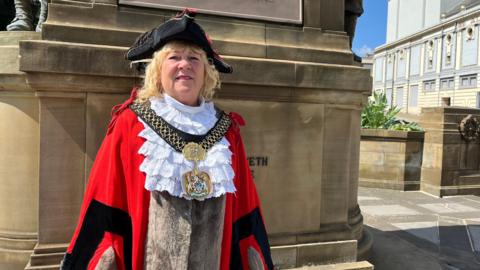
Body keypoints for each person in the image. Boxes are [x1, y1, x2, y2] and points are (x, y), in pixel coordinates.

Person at [61, 9, 274, 270]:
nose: (185, 64)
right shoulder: (130, 123)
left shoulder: (227, 131)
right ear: (158, 70)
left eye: (194, 58)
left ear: (207, 72)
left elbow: (245, 211)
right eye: (174, 57)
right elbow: (104, 203)